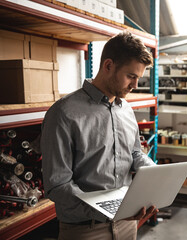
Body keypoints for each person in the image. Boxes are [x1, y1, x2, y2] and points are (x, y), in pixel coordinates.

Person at [41, 32, 157, 240]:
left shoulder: (126, 110)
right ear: (108, 65)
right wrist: (105, 209)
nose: (135, 85)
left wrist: (154, 176)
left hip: (127, 224)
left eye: (139, 78)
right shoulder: (64, 113)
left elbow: (134, 154)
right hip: (86, 230)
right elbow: (57, 185)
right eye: (131, 76)